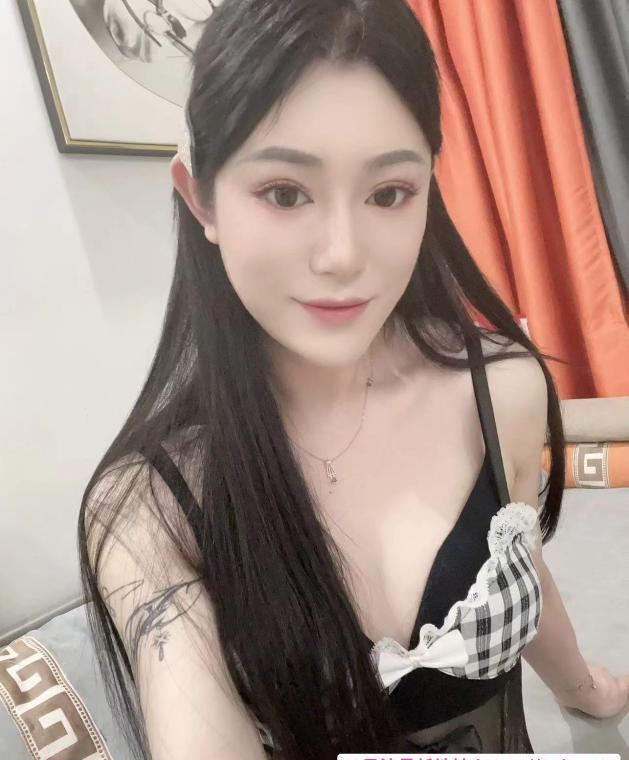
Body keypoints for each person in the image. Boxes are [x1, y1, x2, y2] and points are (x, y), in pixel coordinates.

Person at [78, 1, 629, 759]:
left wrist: (582, 690)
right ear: (201, 197)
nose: (343, 255)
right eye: (284, 192)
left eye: (388, 193)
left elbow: (516, 558)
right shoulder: (153, 508)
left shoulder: (501, 391)